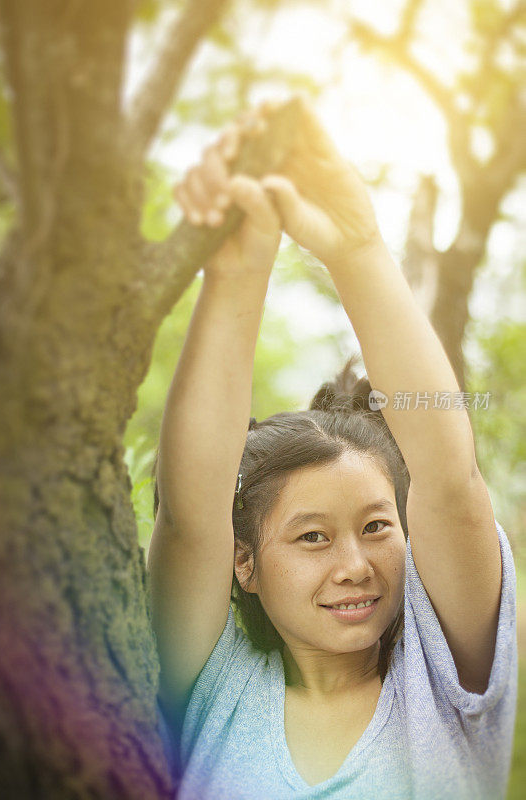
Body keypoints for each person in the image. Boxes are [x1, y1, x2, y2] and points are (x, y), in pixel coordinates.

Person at [147, 98, 518, 799]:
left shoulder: (443, 682)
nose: (355, 565)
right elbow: (190, 517)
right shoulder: (212, 682)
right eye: (312, 537)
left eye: (377, 526)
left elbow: (448, 476)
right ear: (245, 564)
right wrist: (236, 269)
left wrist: (356, 249)